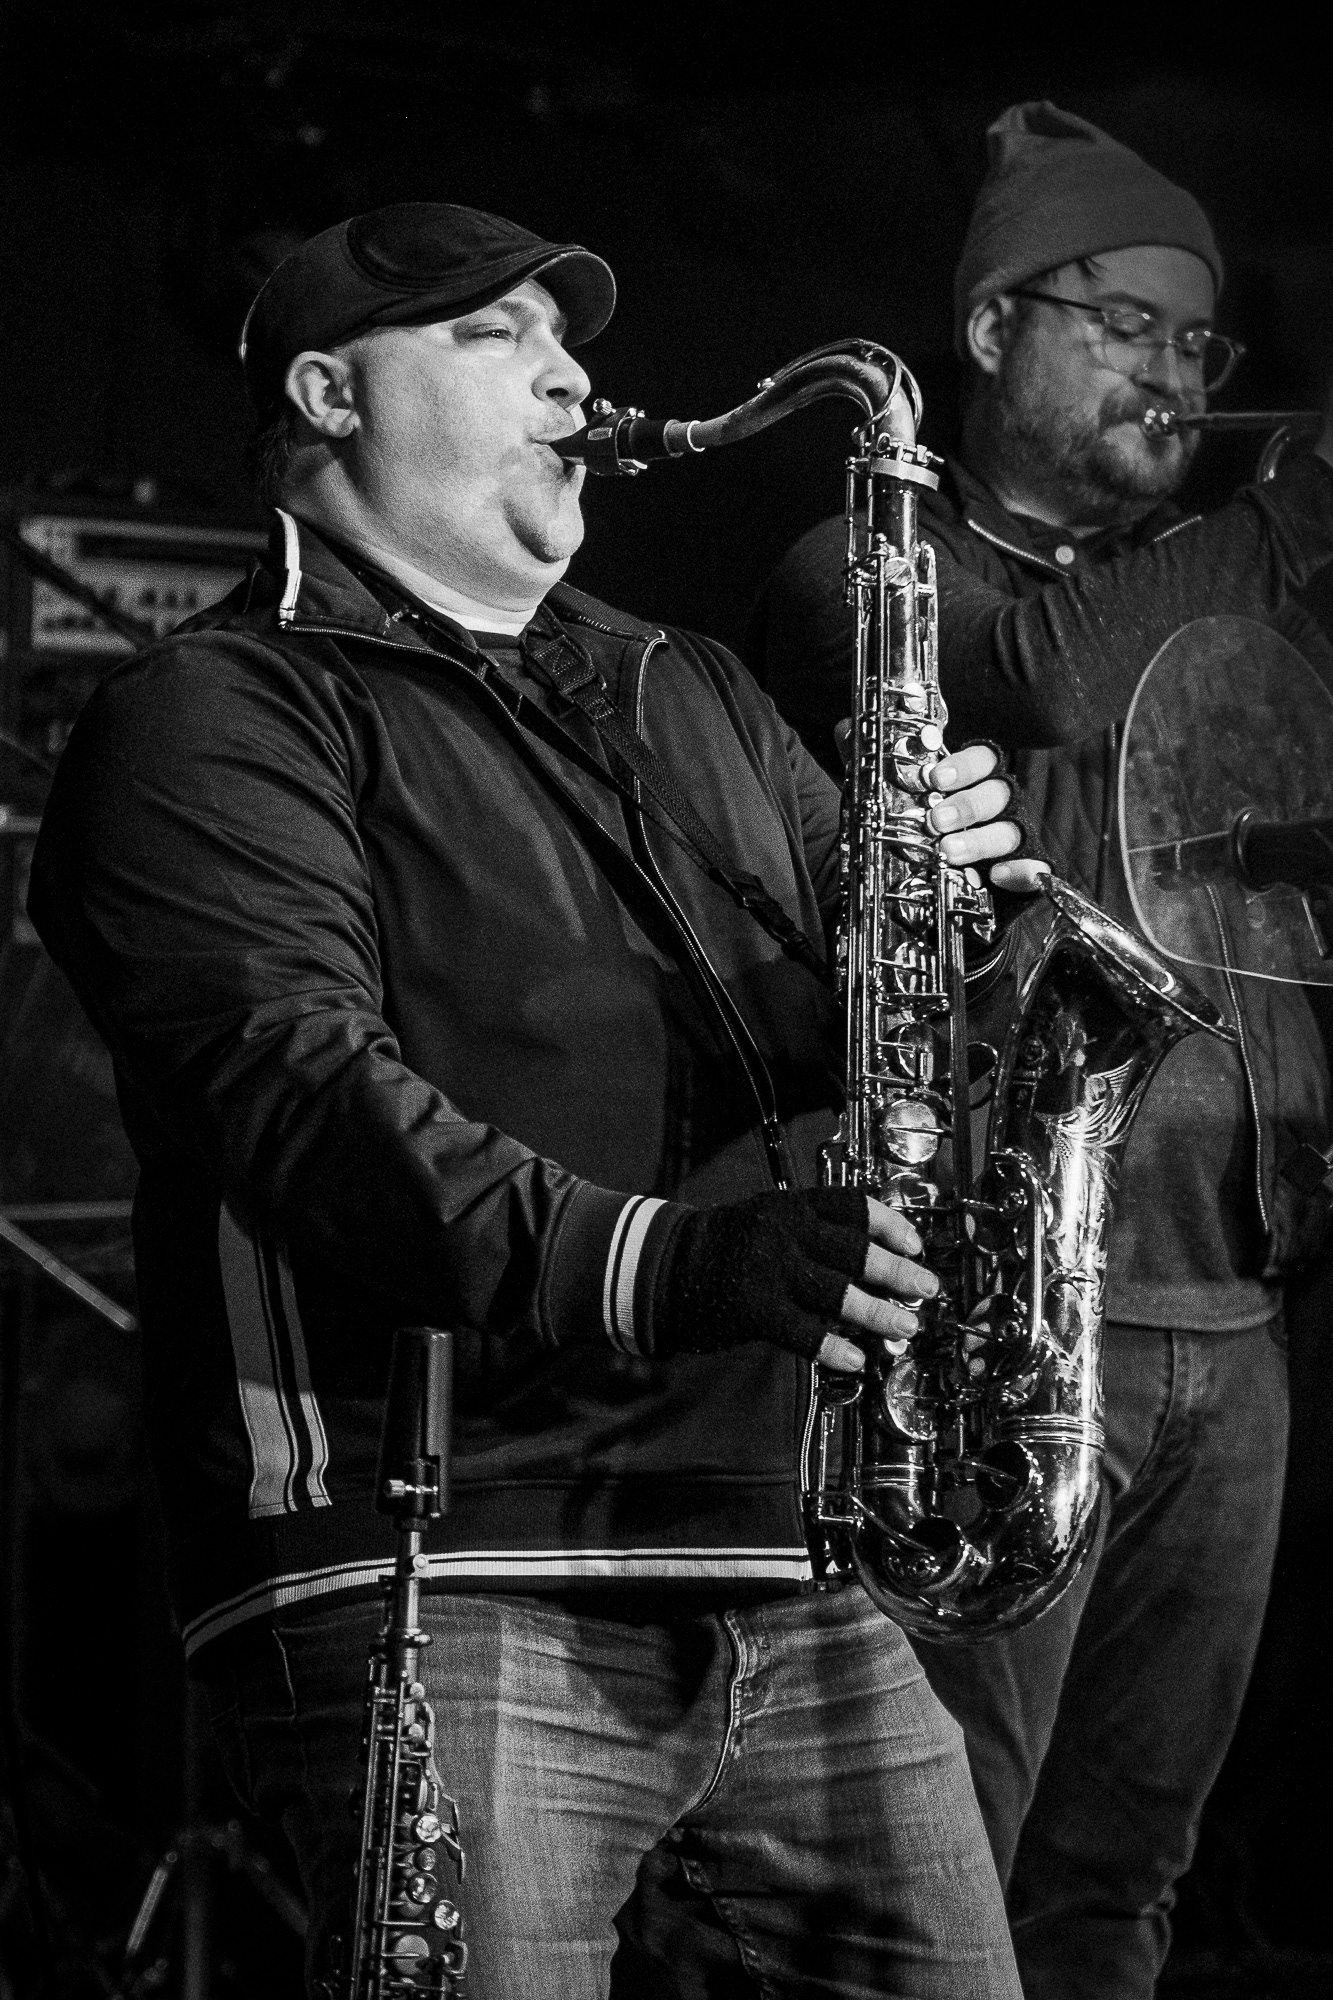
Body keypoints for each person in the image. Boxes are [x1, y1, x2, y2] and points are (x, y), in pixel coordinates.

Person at [28, 202, 1038, 1999]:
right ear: (329, 394)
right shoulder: (216, 708)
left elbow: (863, 1032)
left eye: (567, 341)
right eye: (494, 337)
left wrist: (947, 927)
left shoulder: (691, 687)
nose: (569, 376)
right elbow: (297, 1094)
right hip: (440, 1556)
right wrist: (669, 1265)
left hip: (790, 1540)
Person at [756, 103, 1333, 1999]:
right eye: (1124, 325)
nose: (1174, 375)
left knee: (1116, 1885)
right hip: (996, 1325)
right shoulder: (864, 567)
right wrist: (1302, 506)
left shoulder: (1221, 581)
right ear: (993, 326)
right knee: (938, 1879)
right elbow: (1048, 675)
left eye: (1198, 341)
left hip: (1232, 1318)